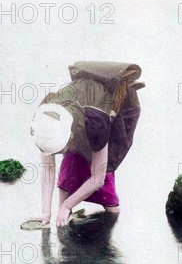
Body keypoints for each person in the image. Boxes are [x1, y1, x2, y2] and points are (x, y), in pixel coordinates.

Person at [29, 61, 145, 227]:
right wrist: (46, 212)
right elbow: (48, 168)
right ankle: (63, 216)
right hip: (81, 107)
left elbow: (98, 178)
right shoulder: (45, 119)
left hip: (122, 105)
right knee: (70, 163)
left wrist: (67, 205)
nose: (59, 153)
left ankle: (112, 215)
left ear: (70, 134)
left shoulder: (95, 122)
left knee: (103, 169)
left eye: (61, 148)